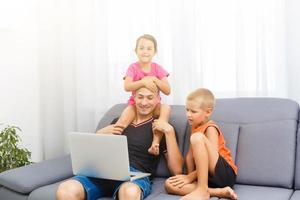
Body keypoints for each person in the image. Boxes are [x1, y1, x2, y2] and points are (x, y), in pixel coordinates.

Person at [56, 86, 183, 200]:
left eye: (150, 98)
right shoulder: (119, 122)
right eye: (140, 97)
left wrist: (169, 131)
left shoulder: (162, 129)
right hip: (104, 172)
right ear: (134, 98)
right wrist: (99, 134)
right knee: (66, 189)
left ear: (157, 100)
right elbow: (95, 155)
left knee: (129, 192)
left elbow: (176, 171)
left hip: (134, 176)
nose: (144, 102)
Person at [164, 88, 238, 200]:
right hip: (207, 179)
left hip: (224, 174)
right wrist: (191, 180)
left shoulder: (210, 128)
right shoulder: (195, 127)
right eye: (187, 110)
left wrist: (189, 177)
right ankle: (218, 192)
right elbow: (189, 158)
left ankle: (202, 191)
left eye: (193, 111)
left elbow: (209, 161)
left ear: (208, 112)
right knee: (169, 184)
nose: (188, 114)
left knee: (197, 137)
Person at [114, 34, 171, 156]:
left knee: (166, 109)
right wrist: (143, 81)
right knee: (121, 124)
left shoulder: (157, 68)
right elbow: (127, 86)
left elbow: (167, 90)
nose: (145, 51)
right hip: (135, 105)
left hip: (154, 105)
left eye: (149, 48)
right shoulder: (133, 68)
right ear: (136, 51)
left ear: (155, 51)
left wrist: (154, 79)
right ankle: (113, 145)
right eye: (141, 48)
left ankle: (155, 142)